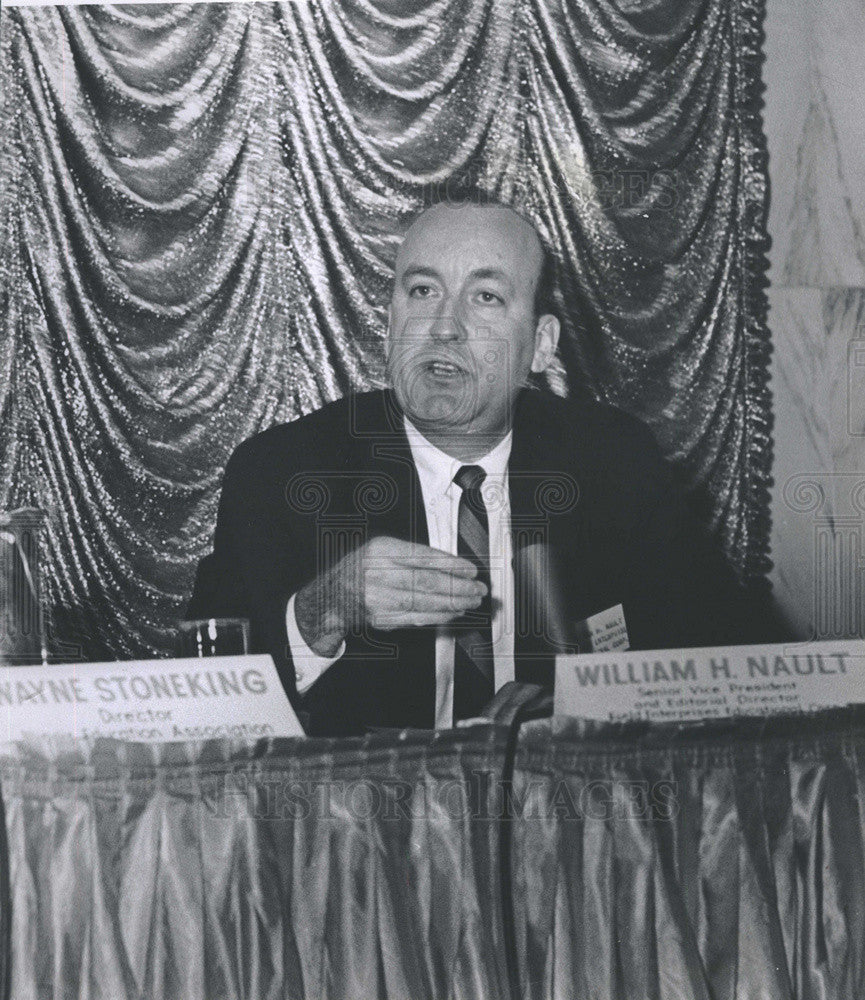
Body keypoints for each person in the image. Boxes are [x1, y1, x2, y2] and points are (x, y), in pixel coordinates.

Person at [188, 196, 766, 736]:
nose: (444, 327)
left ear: (541, 345)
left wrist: (584, 711)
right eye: (421, 291)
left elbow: (719, 661)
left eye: (486, 297)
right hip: (361, 825)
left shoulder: (614, 462)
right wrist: (322, 613)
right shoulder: (284, 472)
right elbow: (207, 707)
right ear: (390, 323)